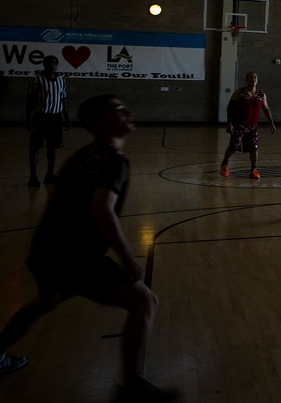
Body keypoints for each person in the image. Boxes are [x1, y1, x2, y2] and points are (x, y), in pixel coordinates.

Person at [0, 94, 178, 401]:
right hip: (74, 253)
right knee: (144, 301)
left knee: (48, 299)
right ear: (100, 121)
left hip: (48, 249)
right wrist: (125, 256)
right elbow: (102, 212)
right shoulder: (112, 159)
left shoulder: (84, 154)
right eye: (119, 109)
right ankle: (131, 386)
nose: (128, 111)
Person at [220, 71, 276, 180]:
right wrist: (229, 123)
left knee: (254, 148)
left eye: (255, 77)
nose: (253, 79)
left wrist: (271, 123)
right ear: (246, 79)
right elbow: (229, 108)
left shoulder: (261, 95)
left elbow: (266, 109)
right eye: (250, 77)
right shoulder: (239, 93)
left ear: (257, 80)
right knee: (233, 146)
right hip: (239, 125)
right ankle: (224, 164)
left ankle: (253, 170)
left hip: (253, 127)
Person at [25, 55, 69, 187]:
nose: (52, 66)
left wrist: (66, 118)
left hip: (55, 117)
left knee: (53, 147)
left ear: (57, 65)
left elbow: (62, 101)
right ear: (44, 64)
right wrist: (29, 120)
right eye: (49, 63)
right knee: (35, 147)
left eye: (55, 63)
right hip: (40, 116)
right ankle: (33, 176)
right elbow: (29, 103)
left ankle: (50, 174)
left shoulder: (61, 81)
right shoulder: (36, 80)